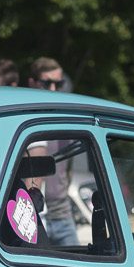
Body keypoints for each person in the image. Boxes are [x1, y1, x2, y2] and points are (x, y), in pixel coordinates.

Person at [25, 58, 81, 246]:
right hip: (35, 215)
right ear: (32, 83)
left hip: (63, 215)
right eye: (46, 83)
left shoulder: (64, 121)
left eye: (58, 84)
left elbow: (68, 170)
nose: (53, 89)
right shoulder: (25, 120)